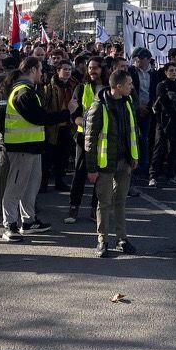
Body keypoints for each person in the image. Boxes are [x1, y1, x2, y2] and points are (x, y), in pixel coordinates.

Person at [0, 57, 69, 241]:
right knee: (15, 188)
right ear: (32, 70)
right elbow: (38, 117)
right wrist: (66, 113)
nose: (42, 73)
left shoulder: (28, 90)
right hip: (21, 147)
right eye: (40, 70)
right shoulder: (23, 92)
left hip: (32, 146)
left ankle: (28, 221)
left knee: (30, 187)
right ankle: (10, 225)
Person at [85, 68, 140, 258]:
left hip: (124, 161)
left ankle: (122, 238)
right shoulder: (98, 107)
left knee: (120, 201)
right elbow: (90, 140)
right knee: (104, 203)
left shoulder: (128, 102)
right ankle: (103, 241)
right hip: (105, 164)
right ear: (118, 86)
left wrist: (134, 156)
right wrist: (91, 168)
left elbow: (133, 131)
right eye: (129, 84)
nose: (132, 87)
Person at [66, 55, 107, 222]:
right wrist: (84, 124)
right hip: (84, 136)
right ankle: (74, 207)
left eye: (96, 67)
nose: (92, 71)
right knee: (80, 172)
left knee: (101, 173)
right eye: (90, 68)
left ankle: (94, 209)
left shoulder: (108, 89)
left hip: (104, 138)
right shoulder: (81, 88)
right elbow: (73, 113)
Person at [148, 61, 176, 188]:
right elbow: (164, 103)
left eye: (175, 70)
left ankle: (171, 175)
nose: (174, 73)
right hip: (163, 122)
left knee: (174, 149)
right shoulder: (161, 86)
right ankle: (153, 176)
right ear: (166, 72)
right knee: (159, 148)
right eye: (171, 70)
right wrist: (169, 117)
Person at [42, 58, 77, 193]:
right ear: (58, 71)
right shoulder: (49, 87)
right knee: (48, 157)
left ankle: (59, 181)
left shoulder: (74, 85)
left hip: (67, 126)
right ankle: (43, 183)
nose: (68, 72)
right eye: (65, 69)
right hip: (52, 126)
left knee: (62, 156)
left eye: (69, 69)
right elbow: (45, 106)